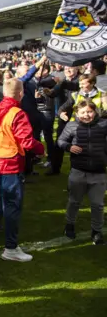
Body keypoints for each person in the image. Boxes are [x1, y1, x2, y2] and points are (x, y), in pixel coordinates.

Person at [0, 79, 45, 262]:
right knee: (13, 206)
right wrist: (41, 149)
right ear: (20, 93)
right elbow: (27, 142)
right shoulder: (17, 114)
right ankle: (11, 248)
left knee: (3, 201)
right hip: (10, 164)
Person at [57, 100, 106, 245]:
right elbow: (60, 141)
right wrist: (68, 146)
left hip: (98, 172)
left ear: (95, 112)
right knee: (74, 201)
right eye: (83, 112)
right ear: (77, 114)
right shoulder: (72, 125)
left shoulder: (104, 124)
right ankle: (69, 225)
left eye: (90, 111)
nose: (87, 115)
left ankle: (96, 231)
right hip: (78, 171)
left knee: (97, 204)